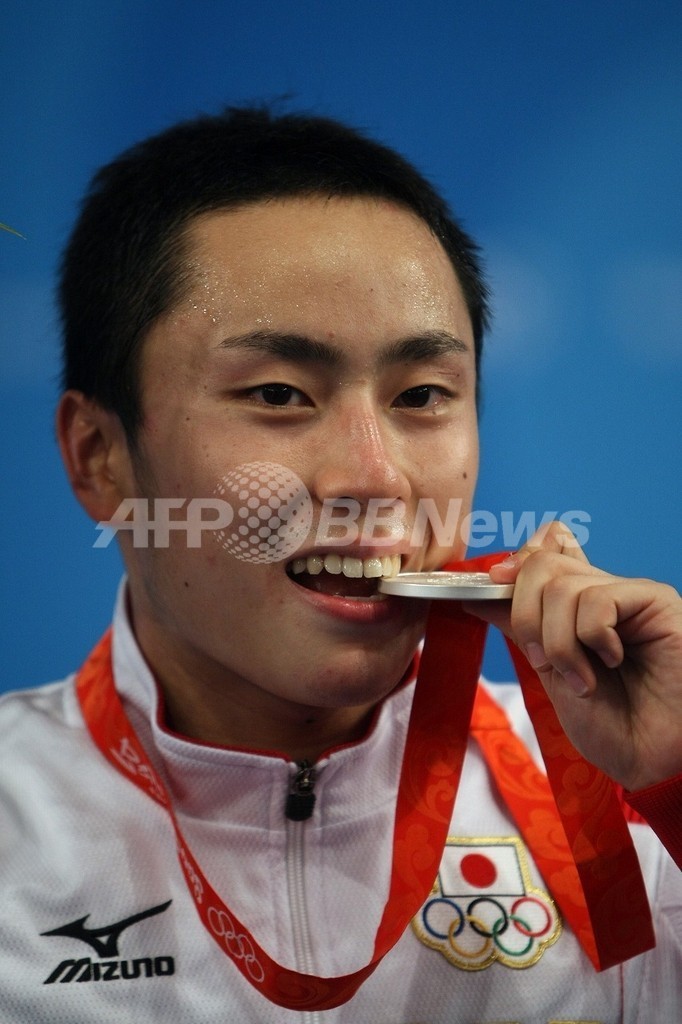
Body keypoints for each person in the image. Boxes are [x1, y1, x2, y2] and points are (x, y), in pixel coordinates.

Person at [1, 106, 680, 1024]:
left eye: (422, 395)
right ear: (101, 458)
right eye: (280, 394)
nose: (376, 477)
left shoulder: (631, 787)